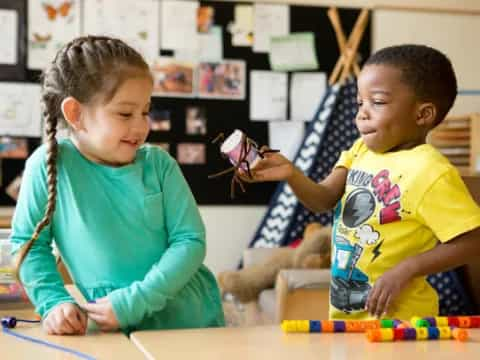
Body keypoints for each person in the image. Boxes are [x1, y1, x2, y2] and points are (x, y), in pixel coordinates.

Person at [244, 44, 480, 320]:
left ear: (422, 114)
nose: (362, 113)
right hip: (348, 316)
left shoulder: (430, 171)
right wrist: (291, 174)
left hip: (401, 322)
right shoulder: (361, 150)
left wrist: (407, 268)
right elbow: (323, 199)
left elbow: (473, 240)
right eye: (360, 102)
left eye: (377, 102)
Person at [10, 35, 225, 335]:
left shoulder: (159, 165)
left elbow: (190, 241)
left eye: (146, 111)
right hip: (108, 323)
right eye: (125, 113)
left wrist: (137, 300)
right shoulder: (48, 166)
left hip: (186, 321)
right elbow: (29, 246)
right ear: (76, 114)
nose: (140, 126)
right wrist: (53, 302)